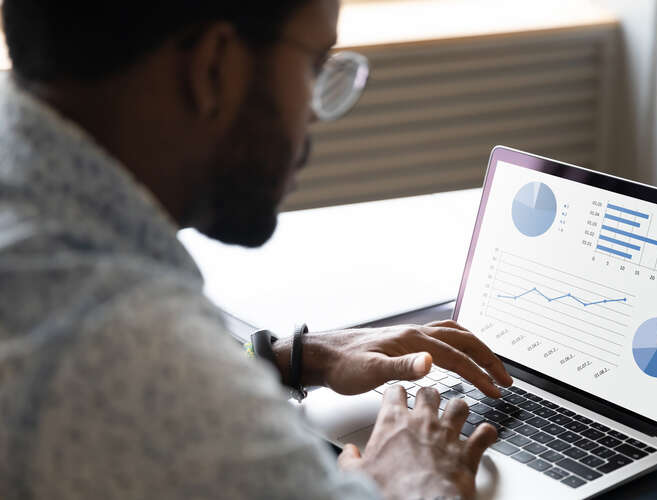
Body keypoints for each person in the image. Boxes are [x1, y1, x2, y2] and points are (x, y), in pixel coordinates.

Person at [0, 1, 514, 499]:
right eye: (313, 65)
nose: (314, 114)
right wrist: (415, 488)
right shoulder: (125, 344)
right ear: (214, 66)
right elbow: (143, 375)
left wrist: (279, 360)